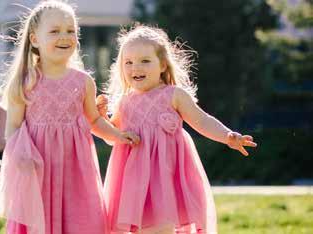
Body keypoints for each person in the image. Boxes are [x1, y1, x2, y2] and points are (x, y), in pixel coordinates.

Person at [0, 1, 138, 233]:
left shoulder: (83, 82)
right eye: (54, 31)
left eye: (71, 31)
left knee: (82, 222)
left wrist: (118, 135)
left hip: (77, 172)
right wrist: (19, 158)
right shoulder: (24, 82)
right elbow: (13, 126)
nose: (65, 36)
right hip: (37, 169)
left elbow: (94, 121)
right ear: (34, 40)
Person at [101, 25, 257, 233]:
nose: (135, 68)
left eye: (145, 61)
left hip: (166, 180)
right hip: (136, 185)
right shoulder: (124, 103)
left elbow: (202, 120)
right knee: (141, 228)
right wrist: (102, 117)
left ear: (163, 65)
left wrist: (227, 136)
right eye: (128, 62)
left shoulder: (174, 95)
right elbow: (112, 138)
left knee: (163, 226)